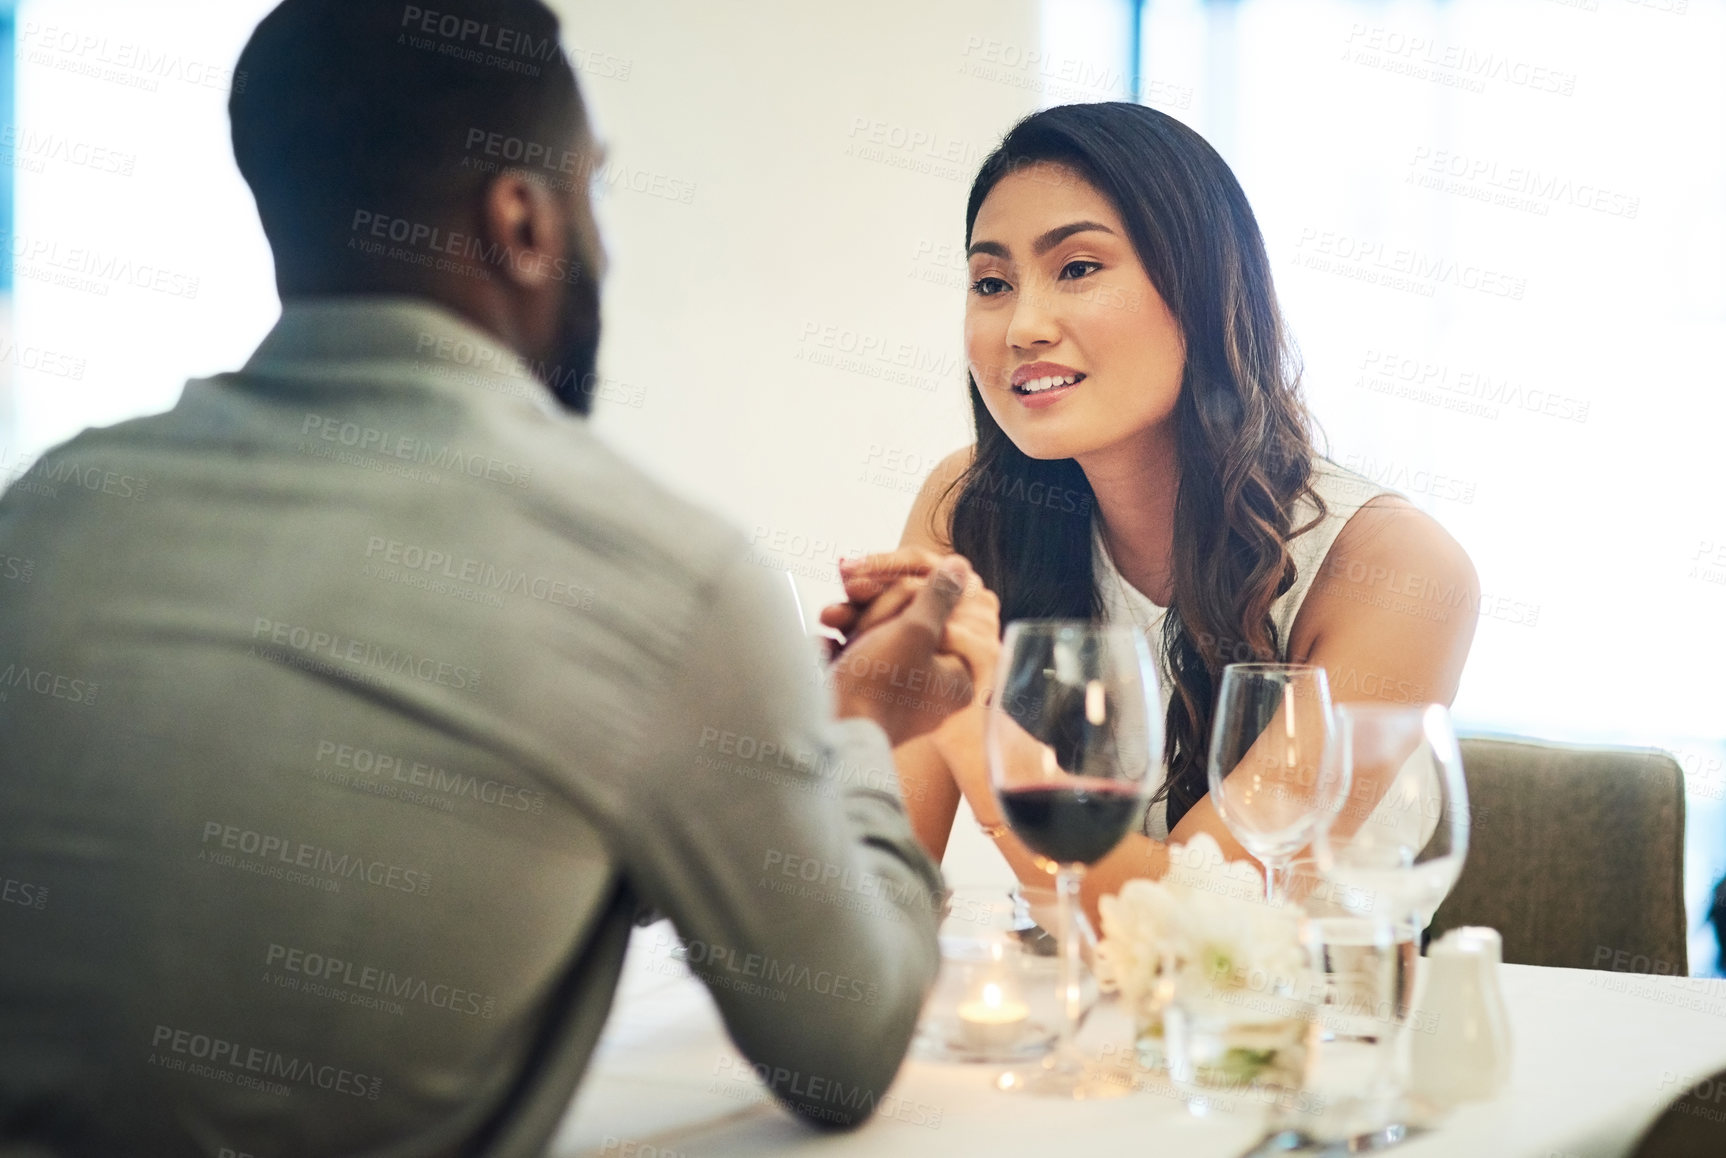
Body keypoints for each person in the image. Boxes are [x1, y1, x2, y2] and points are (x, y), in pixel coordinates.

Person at [0, 2, 998, 1155]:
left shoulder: (50, 507)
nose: (605, 245)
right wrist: (864, 730)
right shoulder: (664, 581)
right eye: (595, 192)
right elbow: (842, 1047)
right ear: (522, 219)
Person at [824, 103, 1478, 922]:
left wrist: (963, 707)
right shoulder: (970, 511)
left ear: (1202, 290)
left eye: (1078, 268)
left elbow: (1201, 926)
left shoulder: (1399, 568)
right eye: (992, 283)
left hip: (1308, 1036)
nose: (1023, 326)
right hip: (1065, 1030)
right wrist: (842, 719)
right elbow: (864, 902)